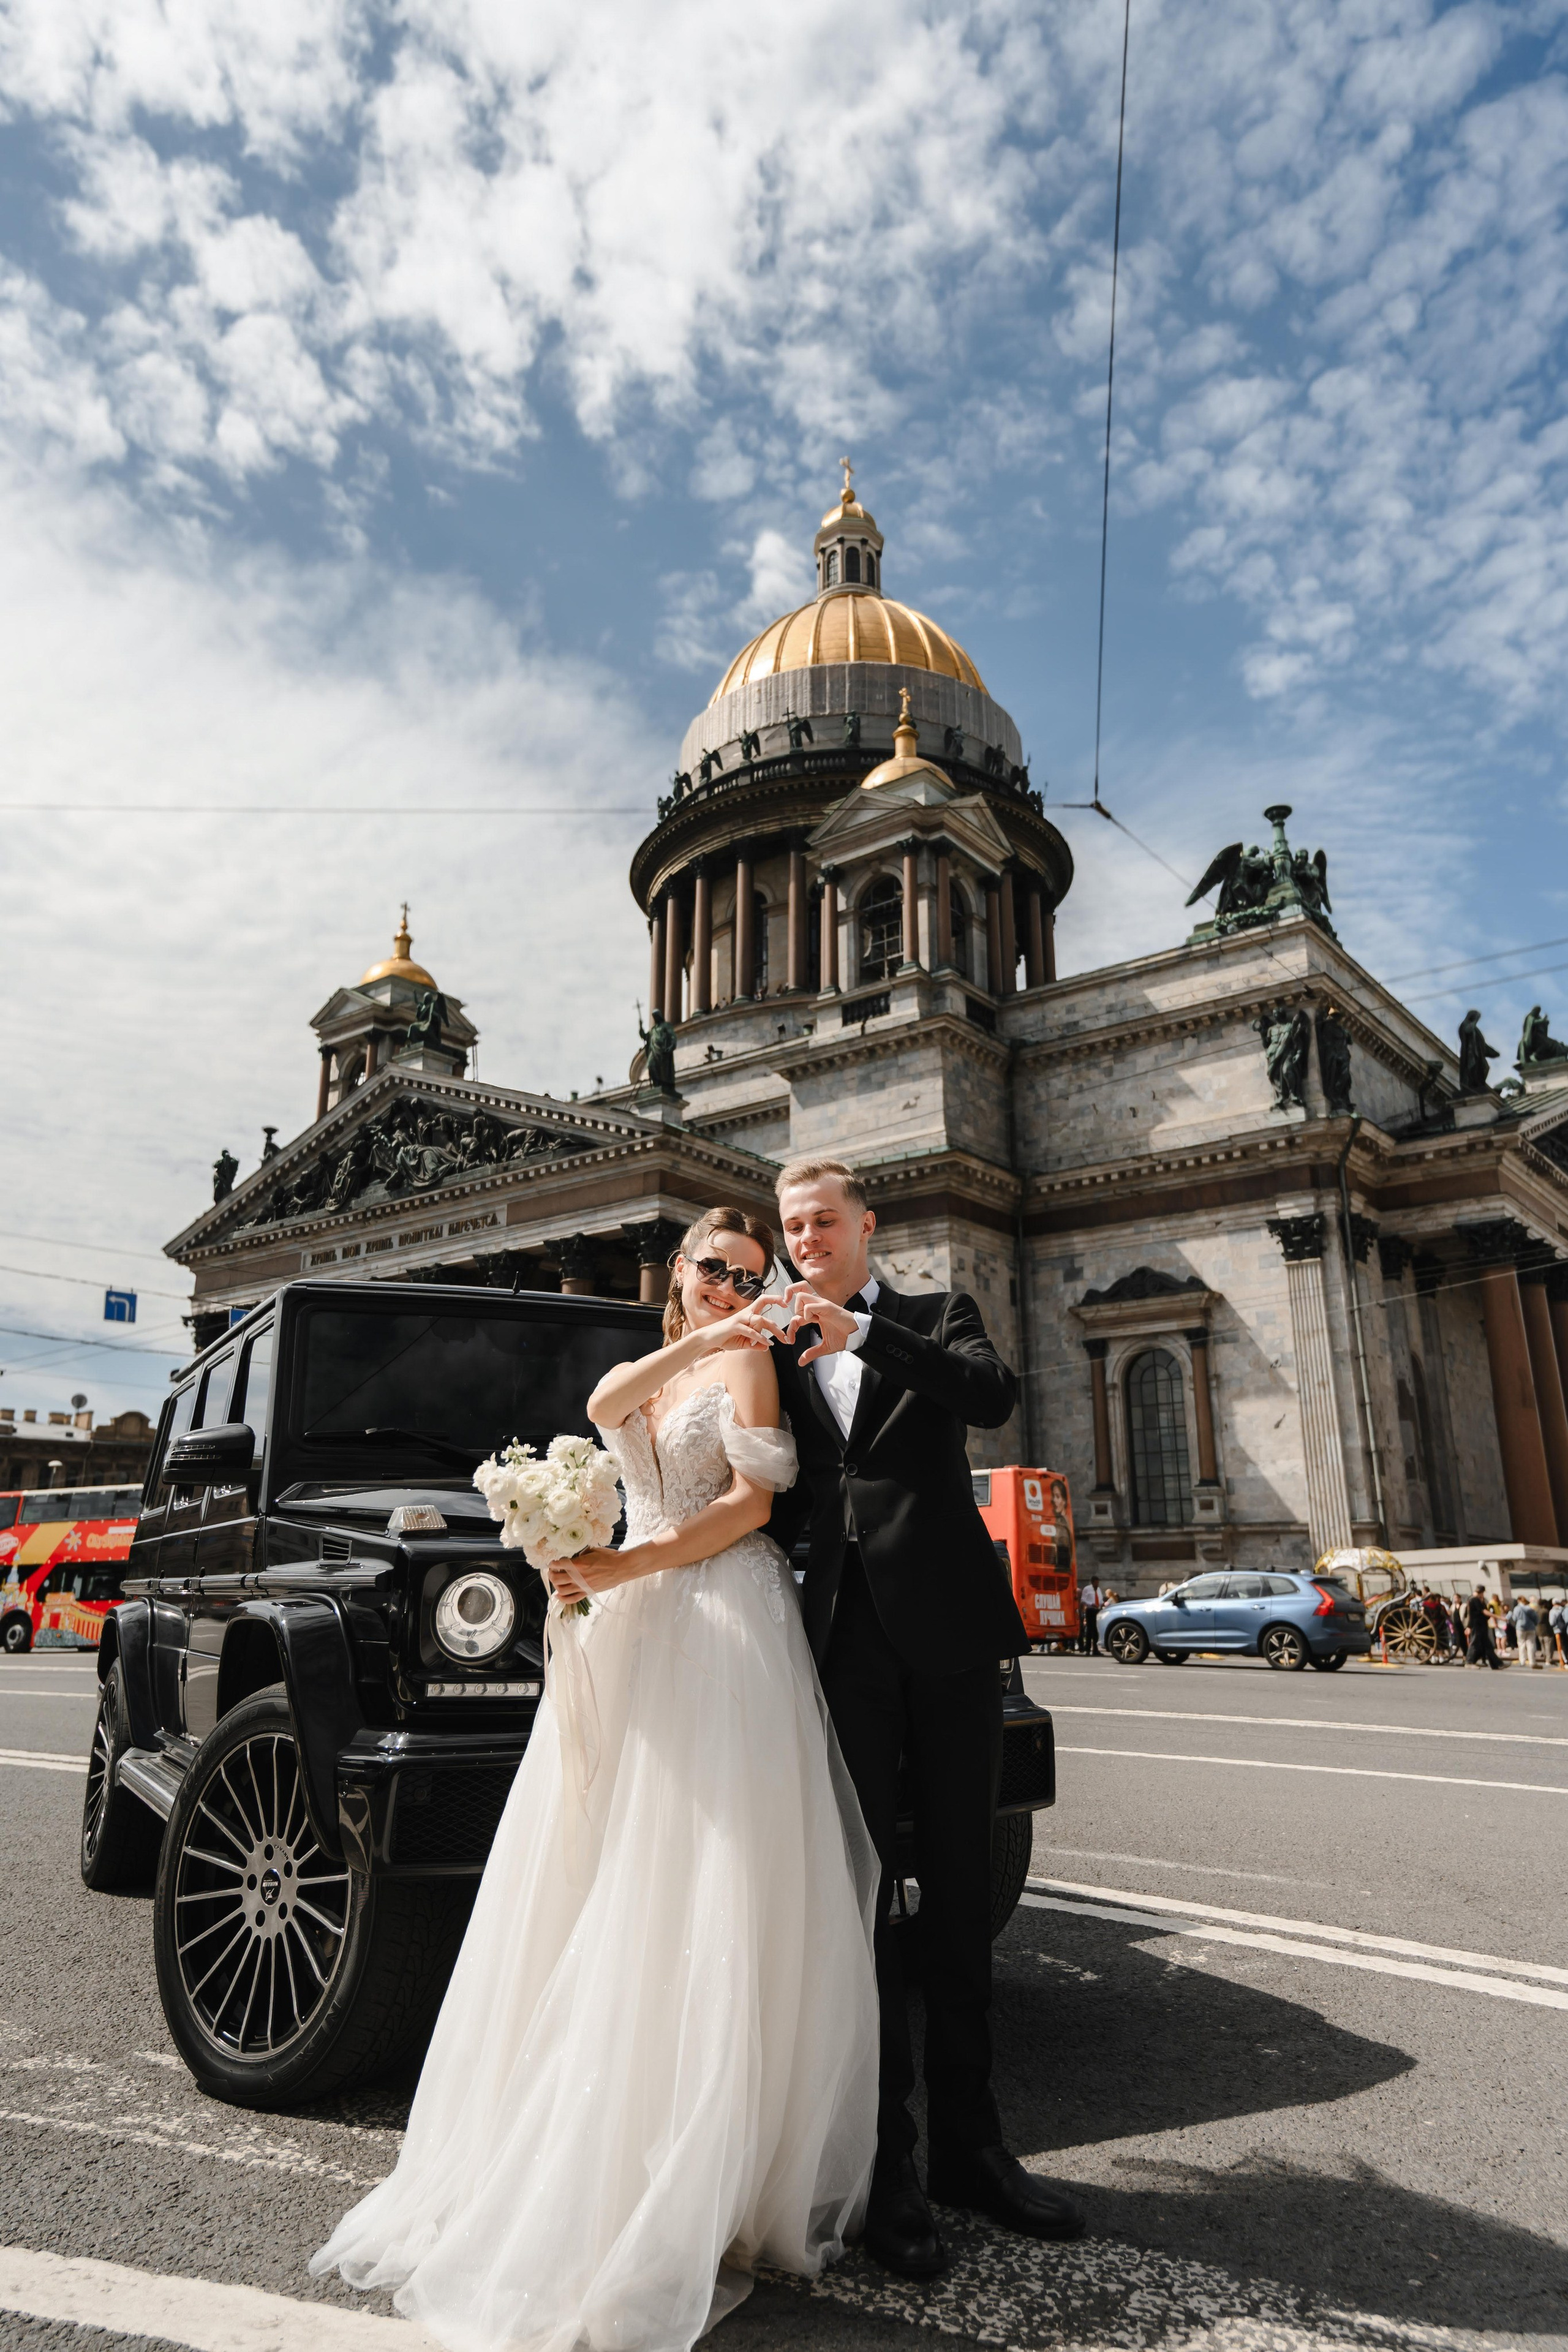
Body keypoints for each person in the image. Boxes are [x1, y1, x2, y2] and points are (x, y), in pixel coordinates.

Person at [312, 1205, 880, 2350]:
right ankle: (601, 2124)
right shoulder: (664, 1360)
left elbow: (750, 1507)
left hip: (722, 1617)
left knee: (708, 1871)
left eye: (751, 1273)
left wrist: (618, 1557)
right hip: (633, 1622)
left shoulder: (750, 1370)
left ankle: (714, 2164)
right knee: (611, 1861)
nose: (733, 1286)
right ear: (679, 1268)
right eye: (716, 1268)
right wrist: (703, 1336)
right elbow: (606, 1405)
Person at [767, 1155, 1085, 2282]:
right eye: (791, 1225)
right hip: (839, 1643)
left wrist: (868, 1340)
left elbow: (989, 1399)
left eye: (822, 1221)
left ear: (865, 1226)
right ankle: (886, 2171)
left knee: (958, 1897)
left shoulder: (933, 1309)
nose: (806, 1239)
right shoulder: (771, 1338)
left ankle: (974, 2149)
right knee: (860, 1911)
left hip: (950, 1635)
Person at [1466, 1585, 1504, 1669]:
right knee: (1474, 1642)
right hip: (1477, 1625)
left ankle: (1497, 1664)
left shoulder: (1477, 1600)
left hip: (1481, 1625)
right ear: (1482, 1592)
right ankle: (1469, 1661)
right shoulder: (1475, 1599)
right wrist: (1499, 1617)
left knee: (1488, 1645)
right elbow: (1484, 1611)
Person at [1511, 1596, 1540, 1669]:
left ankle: (1522, 1661)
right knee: (1531, 1644)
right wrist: (1535, 1623)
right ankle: (1532, 1661)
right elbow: (1536, 1618)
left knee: (1521, 1644)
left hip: (1520, 1628)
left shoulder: (1517, 1608)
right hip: (1531, 1628)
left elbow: (1514, 1618)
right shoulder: (1530, 1608)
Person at [1079, 1575, 1103, 1655]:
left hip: (1097, 1610)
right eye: (1096, 1583)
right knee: (1090, 1630)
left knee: (1096, 1630)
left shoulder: (1099, 1589)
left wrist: (1103, 1604)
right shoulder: (1087, 1589)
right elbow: (1083, 1600)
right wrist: (1091, 1604)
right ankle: (1088, 1649)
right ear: (1092, 1583)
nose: (1097, 1585)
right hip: (1090, 1610)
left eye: (1098, 1583)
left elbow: (1100, 1600)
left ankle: (1095, 1649)